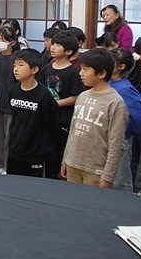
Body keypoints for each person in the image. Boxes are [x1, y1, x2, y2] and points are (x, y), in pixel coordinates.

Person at [61, 48, 129, 188]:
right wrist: (65, 160)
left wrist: (108, 176)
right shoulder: (82, 96)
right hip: (73, 163)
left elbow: (116, 144)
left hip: (96, 170)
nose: (81, 73)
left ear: (102, 73)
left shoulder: (115, 103)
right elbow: (73, 131)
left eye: (85, 69)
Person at [7, 49, 59, 178]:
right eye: (14, 65)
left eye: (21, 65)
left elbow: (52, 126)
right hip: (15, 151)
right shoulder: (13, 90)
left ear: (34, 69)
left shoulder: (44, 95)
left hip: (36, 154)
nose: (16, 69)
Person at [39, 31, 84, 178]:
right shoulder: (47, 68)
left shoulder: (72, 71)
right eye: (53, 44)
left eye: (58, 45)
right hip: (46, 117)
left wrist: (55, 103)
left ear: (68, 51)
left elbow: (76, 96)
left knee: (60, 151)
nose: (52, 47)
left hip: (63, 119)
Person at [109, 48, 141, 192]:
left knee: (119, 180)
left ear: (121, 67)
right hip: (105, 138)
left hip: (121, 139)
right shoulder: (108, 83)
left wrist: (128, 131)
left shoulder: (125, 89)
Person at [0, 25, 19, 174]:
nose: (0, 43)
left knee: (10, 138)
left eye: (4, 40)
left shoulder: (17, 59)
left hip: (12, 106)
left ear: (12, 43)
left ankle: (9, 167)